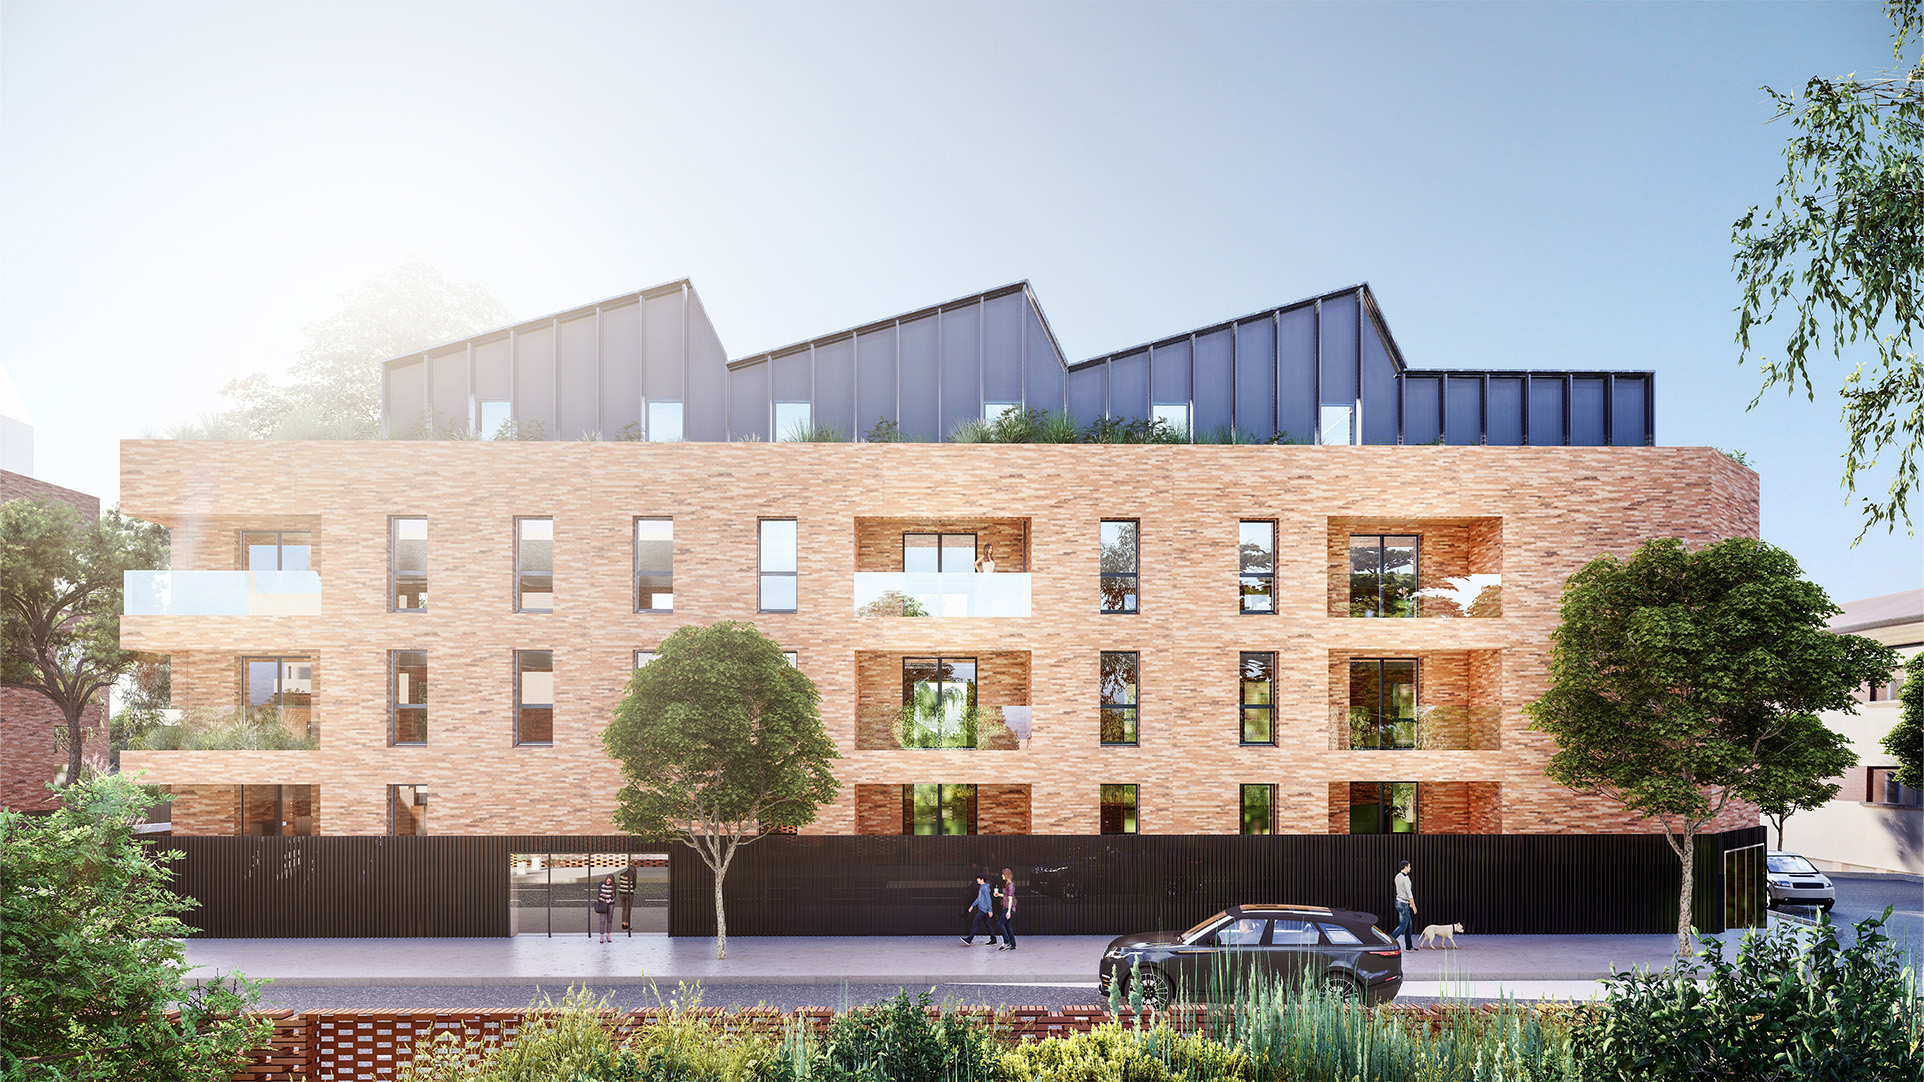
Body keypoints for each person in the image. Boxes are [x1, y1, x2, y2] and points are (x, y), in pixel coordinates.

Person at [961, 872, 995, 944]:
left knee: (976, 923)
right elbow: (978, 898)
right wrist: (972, 906)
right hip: (984, 909)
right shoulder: (982, 887)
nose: (977, 880)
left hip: (983, 910)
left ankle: (969, 939)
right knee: (988, 924)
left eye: (978, 878)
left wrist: (990, 910)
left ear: (982, 879)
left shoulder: (984, 888)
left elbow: (988, 899)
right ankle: (993, 939)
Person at [1393, 859, 1418, 951]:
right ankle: (1389, 941)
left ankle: (1409, 946)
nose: (1410, 868)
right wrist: (1413, 906)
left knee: (1408, 925)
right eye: (1409, 866)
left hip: (1399, 902)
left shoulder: (1397, 876)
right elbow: (1409, 892)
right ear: (1405, 867)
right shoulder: (1405, 878)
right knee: (1403, 925)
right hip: (1404, 903)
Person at [994, 867, 1018, 950]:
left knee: (1000, 924)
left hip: (1009, 908)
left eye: (1003, 874)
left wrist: (1008, 912)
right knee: (1007, 925)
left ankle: (1007, 942)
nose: (1001, 875)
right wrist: (998, 895)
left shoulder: (1010, 885)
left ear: (1006, 875)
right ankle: (1013, 944)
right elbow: (1006, 896)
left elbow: (1010, 898)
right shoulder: (1007, 884)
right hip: (1007, 907)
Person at [618, 859, 638, 932]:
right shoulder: (633, 877)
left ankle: (623, 923)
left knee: (623, 909)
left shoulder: (621, 875)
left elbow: (620, 884)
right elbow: (634, 886)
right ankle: (627, 924)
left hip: (621, 893)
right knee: (628, 909)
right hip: (629, 894)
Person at [595, 875, 616, 943]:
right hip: (602, 903)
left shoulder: (613, 886)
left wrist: (610, 899)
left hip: (610, 903)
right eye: (607, 880)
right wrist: (603, 896)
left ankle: (608, 935)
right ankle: (601, 936)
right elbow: (599, 894)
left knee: (609, 920)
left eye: (610, 881)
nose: (608, 882)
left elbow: (614, 895)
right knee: (602, 920)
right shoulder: (601, 884)